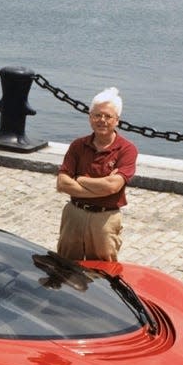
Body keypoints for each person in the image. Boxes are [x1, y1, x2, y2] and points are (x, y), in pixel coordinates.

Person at [55, 87, 138, 262]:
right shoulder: (78, 145)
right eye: (97, 115)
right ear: (90, 118)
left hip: (105, 219)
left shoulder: (127, 149)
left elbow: (113, 186)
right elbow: (62, 184)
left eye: (108, 116)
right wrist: (102, 187)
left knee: (103, 271)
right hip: (74, 215)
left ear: (117, 121)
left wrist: (79, 178)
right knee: (65, 265)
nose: (102, 120)